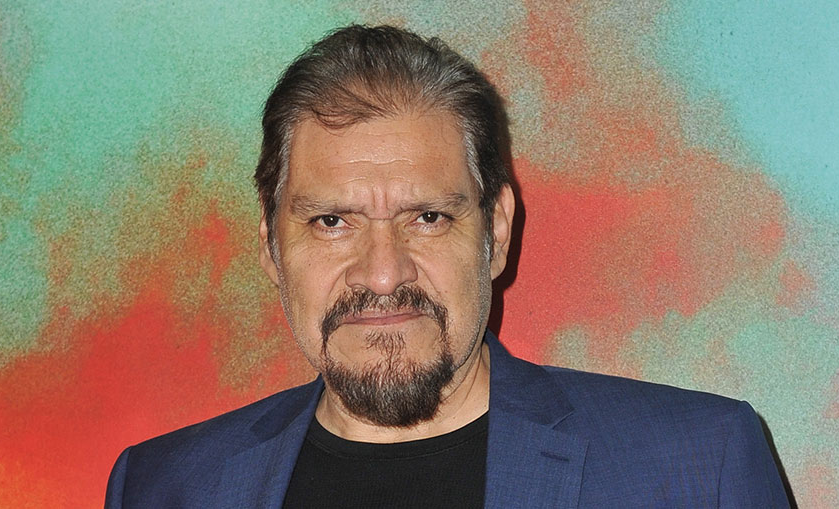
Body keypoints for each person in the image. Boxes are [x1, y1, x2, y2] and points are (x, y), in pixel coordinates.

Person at [105, 24, 789, 508]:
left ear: (496, 231)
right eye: (332, 221)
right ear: (271, 247)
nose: (382, 274)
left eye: (427, 217)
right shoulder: (162, 487)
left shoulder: (698, 468)